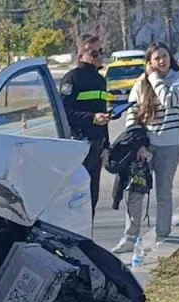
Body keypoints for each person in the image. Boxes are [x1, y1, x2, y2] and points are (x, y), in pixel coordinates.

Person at [113, 42, 179, 266]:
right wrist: (137, 145)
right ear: (149, 62)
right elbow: (132, 114)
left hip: (169, 145)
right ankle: (129, 237)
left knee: (164, 192)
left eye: (164, 56)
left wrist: (154, 79)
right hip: (145, 146)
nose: (161, 61)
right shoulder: (140, 84)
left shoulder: (178, 78)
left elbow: (170, 101)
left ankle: (162, 235)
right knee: (135, 193)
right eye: (156, 58)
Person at [59, 35, 113, 220]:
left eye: (101, 51)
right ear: (81, 55)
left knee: (92, 198)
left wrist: (106, 145)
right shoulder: (72, 78)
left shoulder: (100, 80)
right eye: (94, 52)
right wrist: (91, 119)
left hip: (96, 146)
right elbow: (64, 113)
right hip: (79, 145)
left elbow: (102, 114)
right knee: (77, 199)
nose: (99, 56)